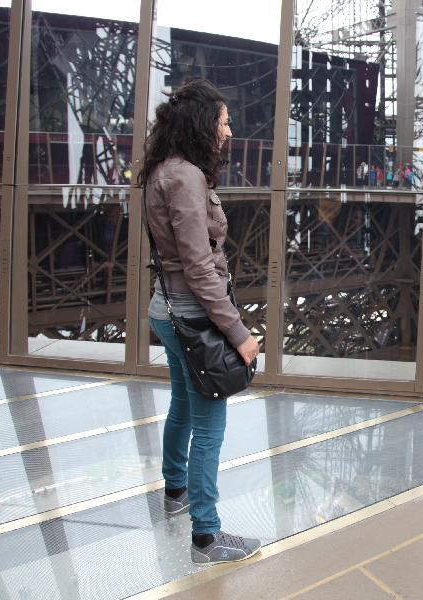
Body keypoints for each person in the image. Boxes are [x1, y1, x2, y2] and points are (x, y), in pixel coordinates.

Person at [138, 78, 262, 564]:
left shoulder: (160, 170)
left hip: (167, 311)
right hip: (195, 318)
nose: (228, 131)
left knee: (183, 408)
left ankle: (176, 492)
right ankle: (206, 537)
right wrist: (239, 333)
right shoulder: (186, 176)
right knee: (210, 426)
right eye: (224, 121)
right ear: (202, 124)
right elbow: (198, 265)